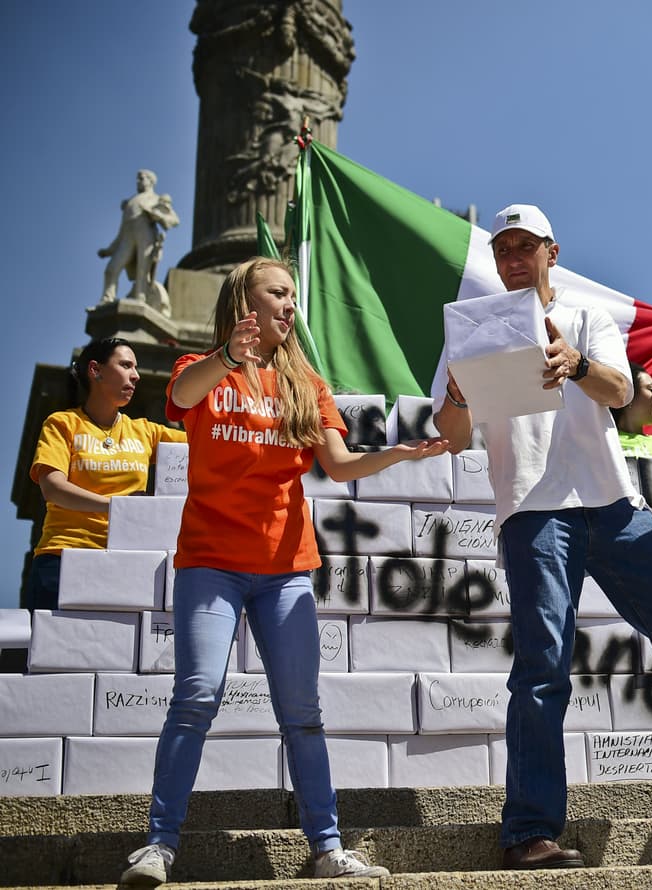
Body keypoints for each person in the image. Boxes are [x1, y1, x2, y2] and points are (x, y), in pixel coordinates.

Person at [434, 204, 652, 871]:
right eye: (503, 250)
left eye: (526, 246)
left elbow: (620, 391)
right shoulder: (473, 331)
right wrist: (464, 392)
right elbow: (449, 432)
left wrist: (574, 362)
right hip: (532, 510)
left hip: (612, 503)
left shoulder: (589, 318)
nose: (513, 258)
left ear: (552, 252)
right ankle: (529, 829)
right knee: (542, 667)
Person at [120, 258, 450, 886]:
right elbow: (182, 400)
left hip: (284, 568)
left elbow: (340, 465)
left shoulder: (305, 381)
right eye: (278, 292)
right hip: (210, 561)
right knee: (195, 697)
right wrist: (228, 354)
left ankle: (327, 848)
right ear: (244, 300)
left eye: (293, 295)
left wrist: (402, 453)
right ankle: (159, 847)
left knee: (302, 712)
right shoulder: (201, 370)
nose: (290, 304)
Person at [26, 337, 186, 610]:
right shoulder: (63, 424)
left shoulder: (147, 432)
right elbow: (52, 487)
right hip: (62, 558)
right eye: (125, 365)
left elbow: (206, 443)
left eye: (136, 368)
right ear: (95, 370)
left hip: (125, 562)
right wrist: (119, 507)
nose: (135, 376)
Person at [99, 169, 180, 313]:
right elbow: (122, 232)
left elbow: (173, 220)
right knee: (111, 269)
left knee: (143, 271)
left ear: (150, 181)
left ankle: (140, 299)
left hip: (146, 237)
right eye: (138, 179)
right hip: (128, 239)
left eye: (141, 179)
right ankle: (107, 299)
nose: (138, 182)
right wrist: (109, 250)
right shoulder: (131, 202)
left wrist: (155, 214)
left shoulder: (156, 199)